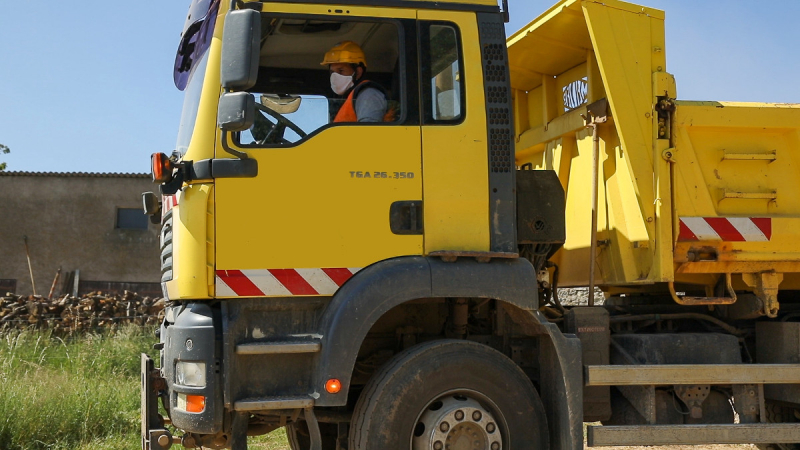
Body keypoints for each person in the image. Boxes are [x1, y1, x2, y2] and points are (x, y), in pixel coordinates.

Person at [321, 41, 395, 123]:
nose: (335, 76)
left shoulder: (369, 95)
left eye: (341, 71)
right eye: (332, 72)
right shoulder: (345, 100)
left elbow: (367, 133)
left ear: (358, 72)